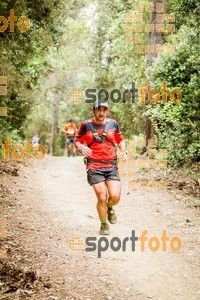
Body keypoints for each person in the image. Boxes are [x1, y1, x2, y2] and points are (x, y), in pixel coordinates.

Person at [74, 100, 127, 235]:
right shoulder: (85, 125)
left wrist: (123, 150)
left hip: (111, 165)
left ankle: (110, 207)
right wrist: (81, 146)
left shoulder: (113, 124)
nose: (101, 112)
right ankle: (103, 224)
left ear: (107, 111)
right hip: (94, 165)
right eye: (99, 109)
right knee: (102, 197)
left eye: (104, 110)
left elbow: (120, 139)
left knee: (115, 197)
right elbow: (77, 140)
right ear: (93, 110)